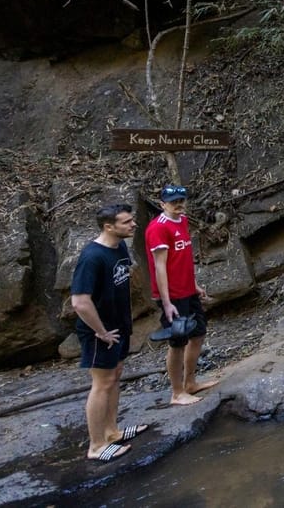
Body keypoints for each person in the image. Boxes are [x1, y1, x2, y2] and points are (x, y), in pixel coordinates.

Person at [71, 203, 145, 462]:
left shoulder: (120, 246)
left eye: (132, 220)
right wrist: (101, 332)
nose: (133, 224)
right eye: (127, 222)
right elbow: (80, 302)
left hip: (119, 326)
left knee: (115, 376)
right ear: (108, 227)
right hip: (98, 332)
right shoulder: (92, 257)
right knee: (101, 383)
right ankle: (96, 446)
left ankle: (112, 432)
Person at [146, 184, 219, 406]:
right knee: (177, 342)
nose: (178, 204)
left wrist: (194, 284)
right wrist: (166, 302)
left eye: (181, 200)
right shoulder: (157, 228)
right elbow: (160, 266)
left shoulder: (183, 221)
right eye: (173, 201)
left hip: (187, 290)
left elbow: (183, 259)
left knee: (198, 334)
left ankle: (190, 382)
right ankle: (177, 392)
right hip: (172, 295)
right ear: (162, 204)